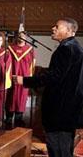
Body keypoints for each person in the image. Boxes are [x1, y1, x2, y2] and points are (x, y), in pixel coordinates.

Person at [13, 18, 83, 157]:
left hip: (60, 110)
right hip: (69, 109)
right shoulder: (75, 47)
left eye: (57, 27)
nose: (53, 28)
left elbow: (54, 77)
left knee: (58, 149)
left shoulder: (66, 49)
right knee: (63, 149)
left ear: (70, 31)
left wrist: (24, 80)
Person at [6, 32, 35, 126]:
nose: (21, 38)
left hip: (24, 77)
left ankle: (19, 119)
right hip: (12, 76)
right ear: (16, 37)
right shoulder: (10, 48)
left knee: (21, 98)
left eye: (23, 36)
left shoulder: (30, 50)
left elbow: (32, 66)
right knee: (10, 97)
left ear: (26, 37)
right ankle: (9, 118)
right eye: (19, 36)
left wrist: (30, 79)